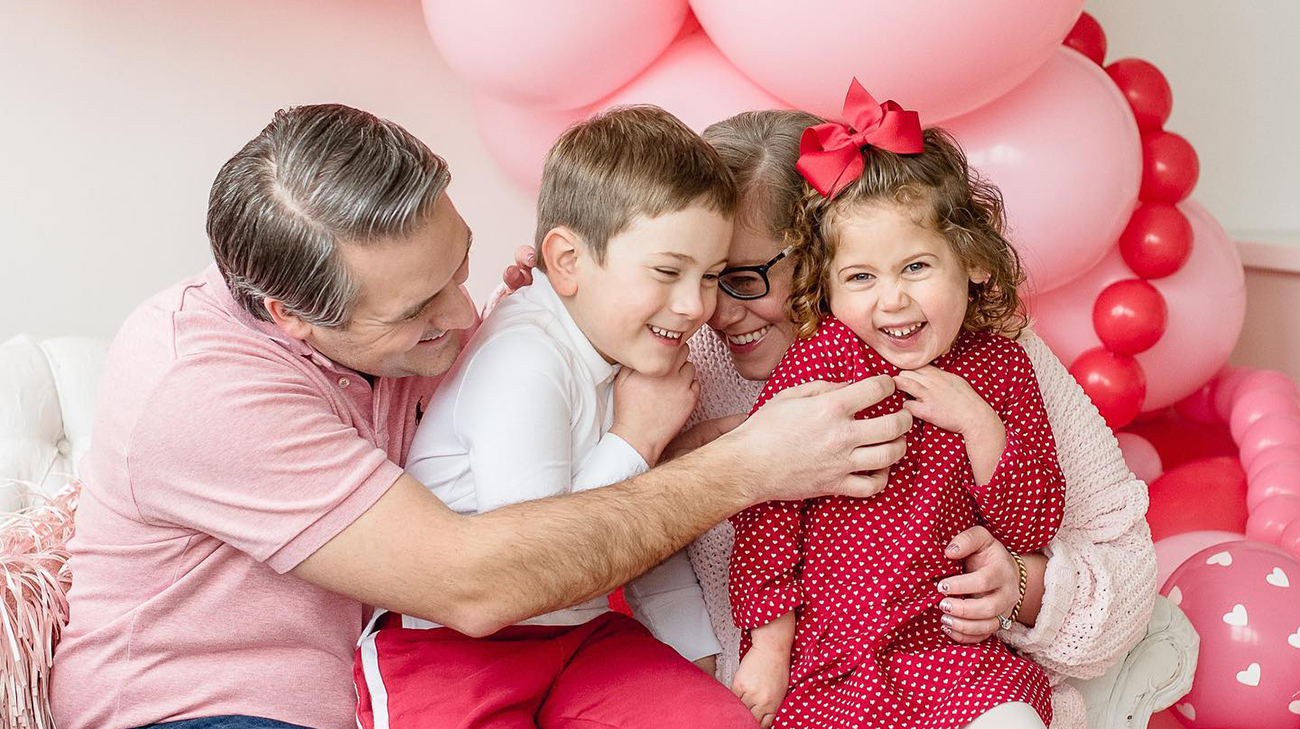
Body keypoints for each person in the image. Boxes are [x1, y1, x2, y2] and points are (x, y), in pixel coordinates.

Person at [49, 104, 914, 729]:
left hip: (464, 654)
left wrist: (563, 334)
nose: (465, 319)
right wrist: (743, 462)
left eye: (458, 268)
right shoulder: (199, 391)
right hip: (206, 707)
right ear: (291, 317)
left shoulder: (438, 332)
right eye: (421, 308)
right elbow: (485, 580)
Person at [681, 107, 1158, 729]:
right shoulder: (697, 350)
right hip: (823, 682)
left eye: (743, 278)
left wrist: (1024, 584)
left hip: (955, 667)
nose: (715, 310)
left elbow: (1070, 532)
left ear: (810, 261)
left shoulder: (992, 355)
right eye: (703, 275)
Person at [354, 106, 749, 728]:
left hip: (582, 634)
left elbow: (646, 525)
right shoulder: (524, 358)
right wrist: (637, 438)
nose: (695, 304)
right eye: (669, 272)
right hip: (451, 646)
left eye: (713, 277)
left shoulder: (635, 350)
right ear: (566, 262)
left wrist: (696, 653)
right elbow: (536, 564)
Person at [723, 83, 1064, 729]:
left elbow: (1031, 527)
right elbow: (764, 510)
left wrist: (978, 421)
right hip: (831, 663)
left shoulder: (1000, 367)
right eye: (860, 277)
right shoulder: (820, 362)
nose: (892, 301)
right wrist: (769, 647)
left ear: (973, 263)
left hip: (953, 654)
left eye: (915, 267)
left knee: (1014, 718)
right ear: (825, 285)